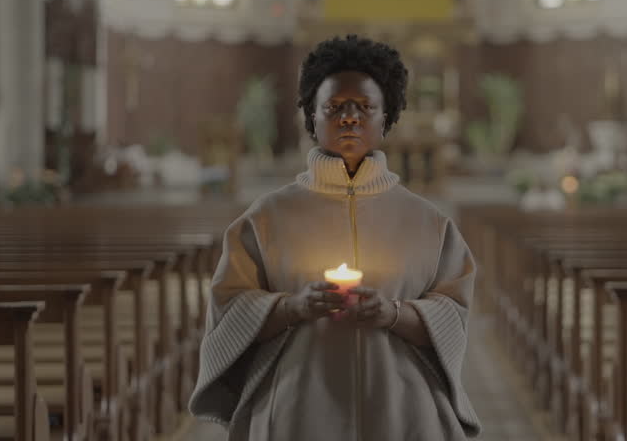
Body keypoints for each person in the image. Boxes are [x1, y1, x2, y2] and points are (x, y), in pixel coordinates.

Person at [189, 34, 481, 440]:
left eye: (364, 107)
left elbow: (452, 313)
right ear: (311, 116)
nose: (349, 118)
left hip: (403, 410)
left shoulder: (429, 222)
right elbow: (230, 311)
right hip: (296, 408)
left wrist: (392, 313)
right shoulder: (265, 217)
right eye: (334, 107)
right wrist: (293, 307)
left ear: (386, 116)